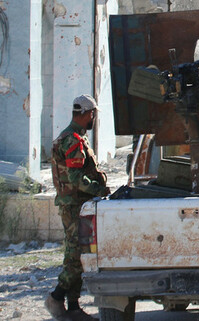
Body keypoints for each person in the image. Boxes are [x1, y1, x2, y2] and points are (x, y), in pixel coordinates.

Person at [46, 95, 109, 321]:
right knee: (77, 256)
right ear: (85, 114)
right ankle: (56, 297)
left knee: (79, 255)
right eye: (92, 114)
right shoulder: (72, 140)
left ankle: (73, 307)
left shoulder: (75, 137)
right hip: (74, 206)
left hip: (77, 204)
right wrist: (99, 190)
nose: (93, 118)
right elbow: (75, 177)